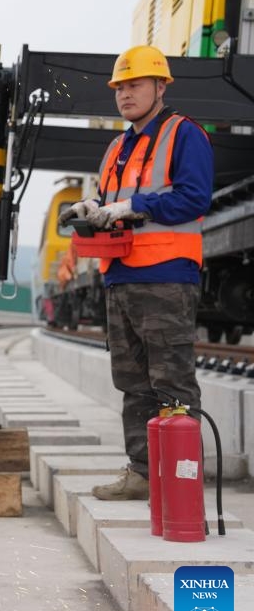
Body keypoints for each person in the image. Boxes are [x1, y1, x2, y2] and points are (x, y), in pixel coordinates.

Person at [58, 44, 213, 500]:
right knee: (132, 383)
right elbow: (112, 201)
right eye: (120, 87)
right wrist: (93, 208)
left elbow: (193, 198)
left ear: (160, 86)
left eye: (135, 85)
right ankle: (144, 474)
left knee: (173, 383)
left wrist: (133, 207)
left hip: (166, 275)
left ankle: (182, 481)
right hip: (120, 276)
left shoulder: (185, 135)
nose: (125, 94)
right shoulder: (117, 146)